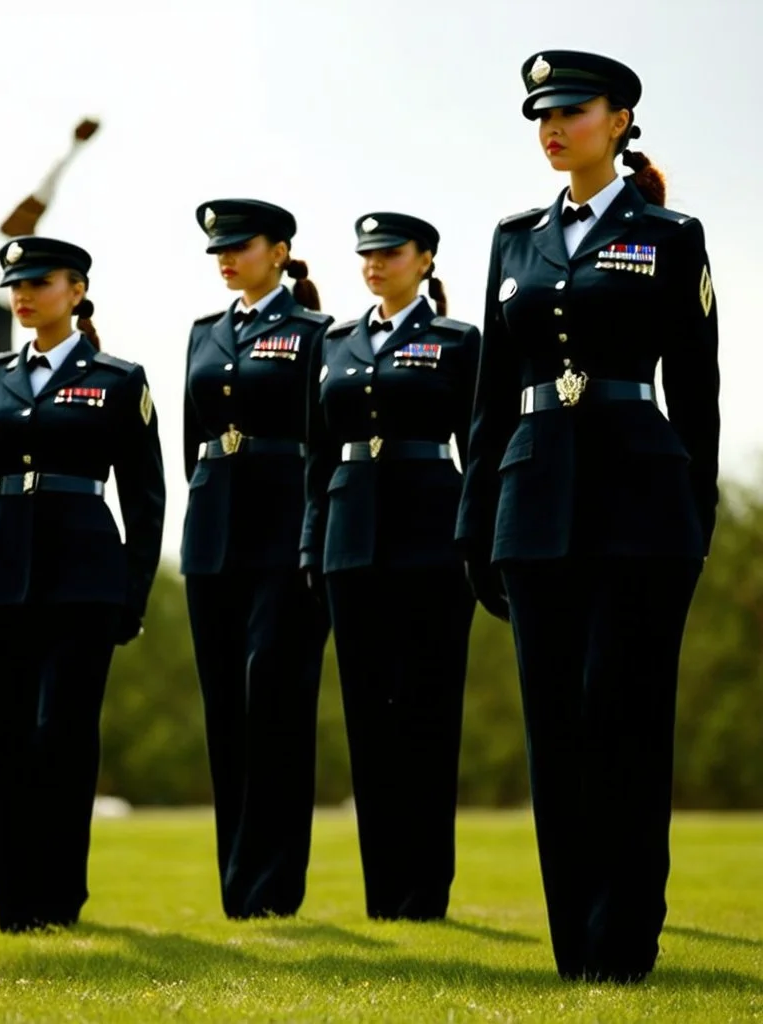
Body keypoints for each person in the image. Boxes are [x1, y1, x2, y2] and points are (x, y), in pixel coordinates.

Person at [456, 51, 720, 982]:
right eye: (542, 112)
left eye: (571, 108)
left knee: (627, 721)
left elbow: (697, 397)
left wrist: (696, 525)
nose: (553, 125)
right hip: (532, 505)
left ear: (620, 119)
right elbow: (490, 398)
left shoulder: (670, 235)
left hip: (641, 507)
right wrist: (475, 524)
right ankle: (578, 952)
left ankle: (625, 941)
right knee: (556, 732)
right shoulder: (512, 238)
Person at [0, 235, 165, 932]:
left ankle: (60, 900)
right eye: (17, 284)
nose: (24, 294)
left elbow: (146, 497)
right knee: (4, 745)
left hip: (84, 585)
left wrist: (132, 592)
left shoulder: (120, 379)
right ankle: (17, 912)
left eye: (40, 281)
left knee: (60, 738)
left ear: (76, 290)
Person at [301, 212, 479, 920]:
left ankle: (425, 893)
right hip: (351, 542)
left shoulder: (456, 342)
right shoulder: (335, 340)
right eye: (365, 253)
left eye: (390, 252)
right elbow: (317, 455)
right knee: (369, 723)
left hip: (433, 540)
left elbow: (480, 443)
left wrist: (476, 539)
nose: (374, 263)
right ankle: (385, 898)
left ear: (425, 259)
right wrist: (313, 544)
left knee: (427, 718)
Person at [182, 199, 333, 918]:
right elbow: (193, 443)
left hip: (285, 535)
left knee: (274, 700)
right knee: (225, 715)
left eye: (240, 245)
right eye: (219, 248)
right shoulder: (202, 334)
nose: (226, 257)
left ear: (279, 251)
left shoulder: (314, 333)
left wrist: (313, 534)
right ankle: (237, 889)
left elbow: (324, 443)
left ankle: (273, 887)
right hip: (213, 536)